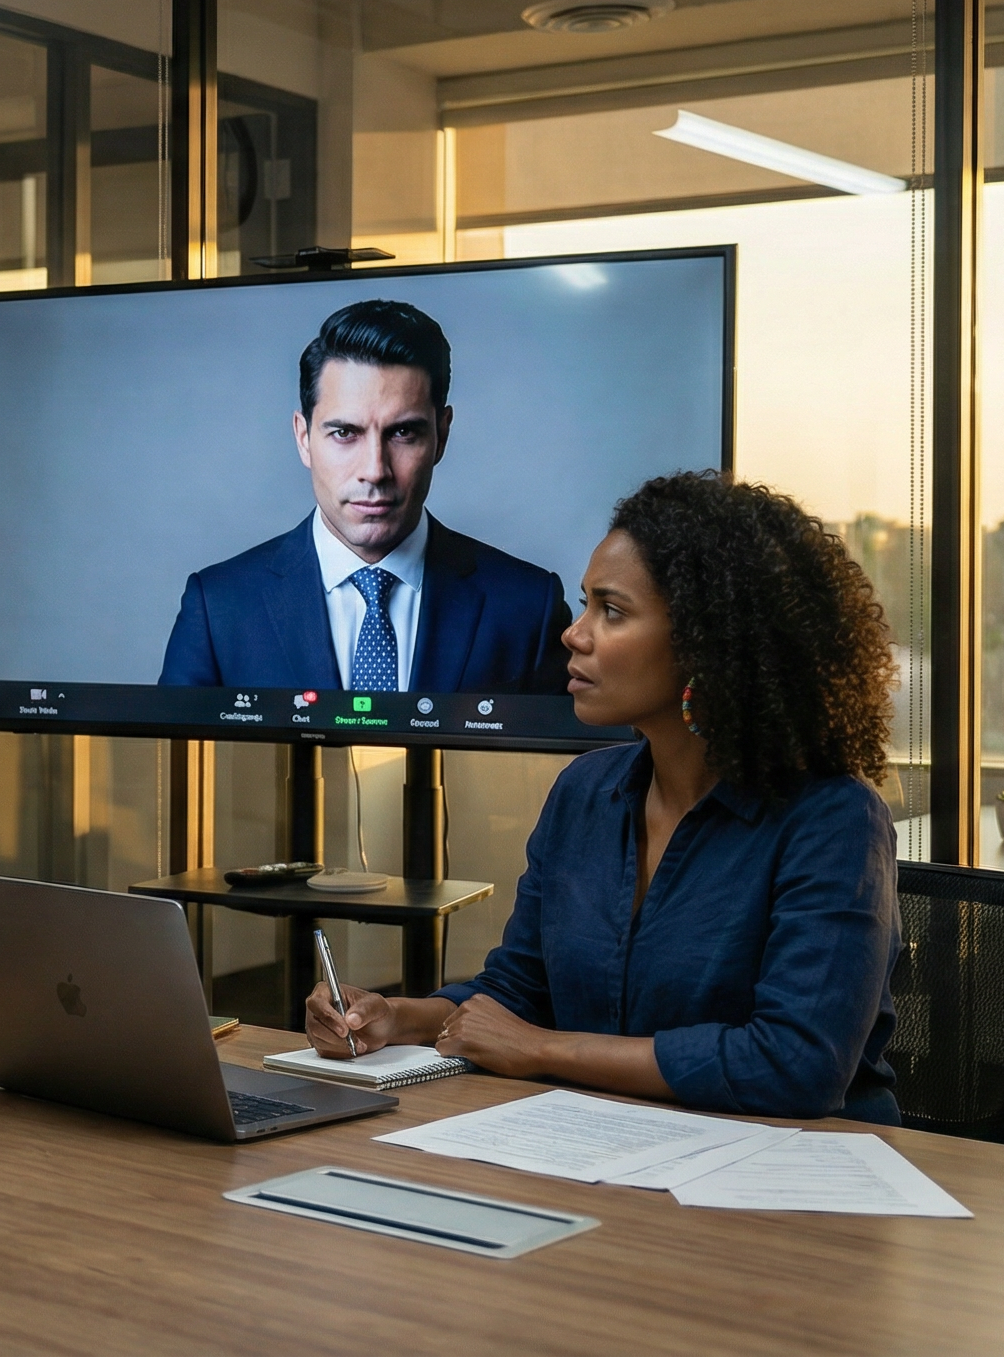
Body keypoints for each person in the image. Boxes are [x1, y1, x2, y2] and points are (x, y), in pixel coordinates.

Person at [308, 472, 903, 1121]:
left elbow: (795, 1064)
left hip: (793, 1167)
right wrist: (394, 1017)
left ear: (708, 644)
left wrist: (543, 1050)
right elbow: (520, 990)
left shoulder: (833, 818)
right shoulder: (584, 792)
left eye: (611, 611)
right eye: (584, 604)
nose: (575, 634)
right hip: (608, 1141)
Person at [156, 299, 571, 695]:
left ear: (441, 435)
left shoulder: (527, 607)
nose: (375, 470)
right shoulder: (219, 606)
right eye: (345, 433)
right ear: (303, 438)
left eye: (403, 433)